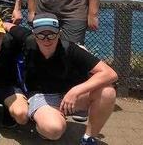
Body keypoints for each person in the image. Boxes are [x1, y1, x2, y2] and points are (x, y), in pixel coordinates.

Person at [24, 13, 117, 144]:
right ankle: (44, 119)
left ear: (59, 33)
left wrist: (76, 91)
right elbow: (11, 28)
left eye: (51, 34)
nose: (46, 39)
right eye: (41, 34)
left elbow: (110, 74)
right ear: (34, 34)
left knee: (107, 92)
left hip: (70, 96)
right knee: (53, 131)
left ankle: (89, 138)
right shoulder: (28, 44)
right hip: (42, 95)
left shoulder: (71, 48)